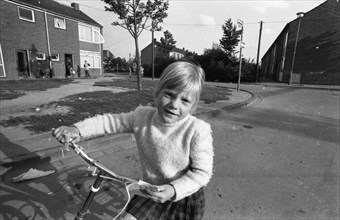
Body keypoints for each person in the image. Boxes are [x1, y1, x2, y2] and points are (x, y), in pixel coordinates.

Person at [52, 61, 214, 220]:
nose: (174, 104)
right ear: (158, 94)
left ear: (193, 106)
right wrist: (78, 130)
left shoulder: (197, 130)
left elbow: (201, 173)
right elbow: (110, 122)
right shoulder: (142, 116)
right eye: (169, 94)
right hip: (152, 189)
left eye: (185, 100)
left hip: (185, 195)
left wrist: (173, 190)